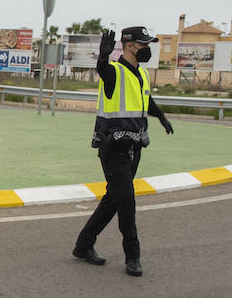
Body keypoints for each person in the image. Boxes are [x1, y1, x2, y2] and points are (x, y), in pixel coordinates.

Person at [72, 27, 174, 277]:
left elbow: (145, 100)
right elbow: (104, 72)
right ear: (129, 45)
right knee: (126, 200)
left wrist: (160, 117)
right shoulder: (114, 72)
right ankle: (133, 256)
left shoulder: (141, 74)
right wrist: (102, 58)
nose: (148, 48)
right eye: (143, 44)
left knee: (114, 199)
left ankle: (83, 245)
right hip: (112, 147)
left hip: (134, 147)